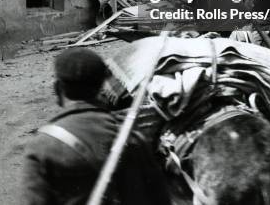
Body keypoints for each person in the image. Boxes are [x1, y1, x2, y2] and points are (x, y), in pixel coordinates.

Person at [22, 48, 171, 205]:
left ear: (58, 88)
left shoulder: (42, 146)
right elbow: (160, 199)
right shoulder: (132, 138)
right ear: (102, 86)